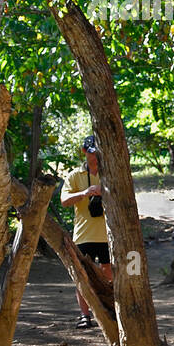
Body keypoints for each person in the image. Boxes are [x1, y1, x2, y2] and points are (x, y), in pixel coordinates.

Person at [59, 135, 112, 328]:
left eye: (98, 153)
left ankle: (109, 310)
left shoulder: (111, 173)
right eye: (91, 153)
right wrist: (84, 193)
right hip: (83, 234)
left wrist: (104, 192)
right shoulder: (75, 176)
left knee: (108, 272)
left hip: (108, 235)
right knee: (82, 276)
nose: (95, 157)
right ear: (84, 152)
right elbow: (64, 201)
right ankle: (85, 315)